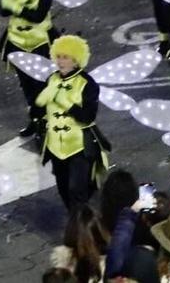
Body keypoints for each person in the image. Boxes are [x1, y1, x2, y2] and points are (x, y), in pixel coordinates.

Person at [31, 35, 105, 212]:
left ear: (76, 60)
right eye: (59, 56)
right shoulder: (52, 79)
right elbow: (39, 109)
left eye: (66, 57)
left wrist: (63, 100)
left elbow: (87, 116)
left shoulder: (87, 84)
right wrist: (37, 108)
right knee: (63, 188)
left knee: (76, 191)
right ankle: (76, 220)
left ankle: (82, 230)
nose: (61, 61)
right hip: (56, 146)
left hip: (78, 146)